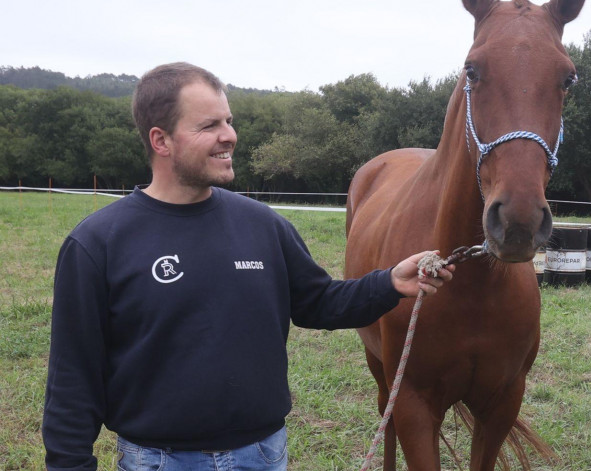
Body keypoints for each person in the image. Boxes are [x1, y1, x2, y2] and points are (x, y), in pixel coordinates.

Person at [42, 62, 455, 470]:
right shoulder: (98, 243)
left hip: (260, 455)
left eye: (229, 120)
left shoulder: (263, 225)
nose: (229, 136)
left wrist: (388, 283)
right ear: (161, 140)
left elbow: (318, 302)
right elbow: (72, 379)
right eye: (209, 126)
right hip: (157, 460)